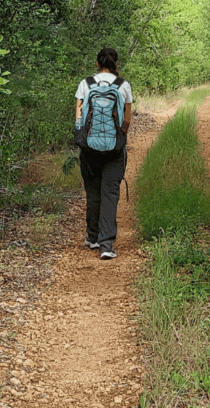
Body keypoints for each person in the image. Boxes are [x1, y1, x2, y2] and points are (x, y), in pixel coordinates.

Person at [75, 46, 132, 260]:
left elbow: (79, 114)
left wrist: (83, 137)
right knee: (110, 193)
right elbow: (126, 118)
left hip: (89, 147)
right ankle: (107, 245)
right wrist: (120, 135)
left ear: (98, 63)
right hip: (114, 149)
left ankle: (92, 237)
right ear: (116, 64)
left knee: (93, 191)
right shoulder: (123, 85)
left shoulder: (86, 84)